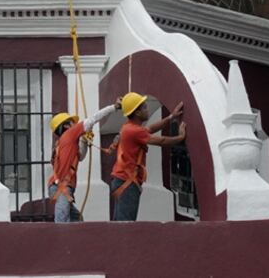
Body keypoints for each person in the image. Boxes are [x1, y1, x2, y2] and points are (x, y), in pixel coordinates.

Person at [110, 92, 186, 221]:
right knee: (125, 225)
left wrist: (170, 117)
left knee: (120, 223)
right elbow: (160, 141)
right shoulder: (134, 130)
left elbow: (150, 128)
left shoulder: (129, 127)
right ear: (137, 113)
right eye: (144, 107)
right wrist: (180, 138)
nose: (147, 109)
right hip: (127, 182)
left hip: (122, 180)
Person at [47, 99, 121, 223]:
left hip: (58, 186)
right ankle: (60, 242)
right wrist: (114, 107)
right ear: (66, 125)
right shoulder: (70, 134)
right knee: (61, 222)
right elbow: (93, 118)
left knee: (77, 219)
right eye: (72, 123)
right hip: (62, 187)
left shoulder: (63, 143)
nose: (75, 125)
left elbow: (80, 157)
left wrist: (84, 141)